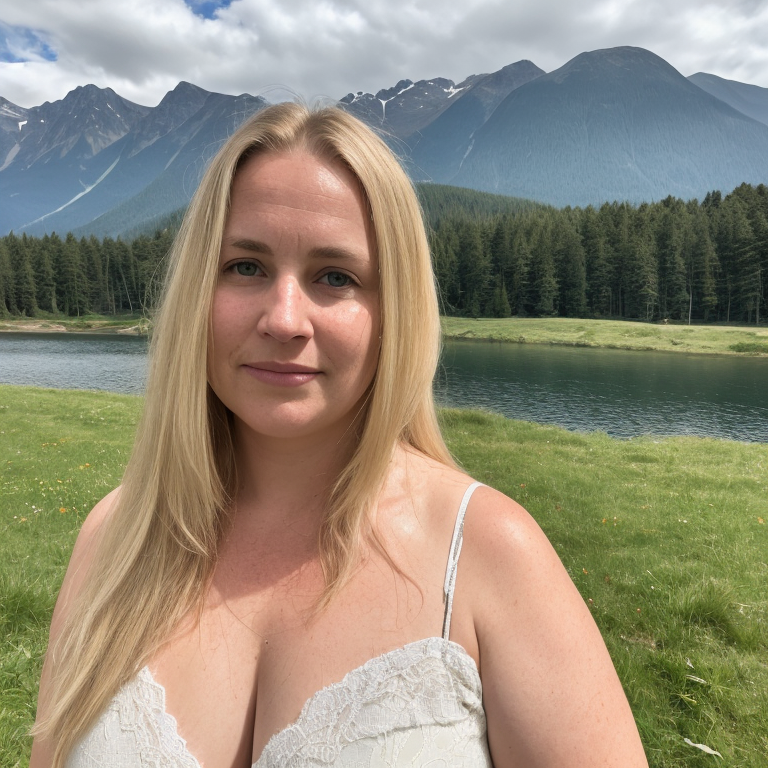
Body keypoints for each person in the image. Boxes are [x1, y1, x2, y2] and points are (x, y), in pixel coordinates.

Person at [31, 102, 649, 768]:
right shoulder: (113, 540)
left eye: (336, 277)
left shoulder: (487, 556)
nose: (285, 318)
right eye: (246, 266)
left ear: (394, 313)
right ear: (195, 291)